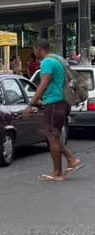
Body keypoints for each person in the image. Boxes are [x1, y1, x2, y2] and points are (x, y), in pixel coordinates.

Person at [22, 38, 83, 181]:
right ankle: (72, 160)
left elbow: (44, 83)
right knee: (53, 136)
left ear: (38, 49)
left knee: (52, 138)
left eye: (34, 50)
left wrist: (32, 103)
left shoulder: (47, 62)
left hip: (55, 102)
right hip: (61, 101)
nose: (34, 52)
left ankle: (57, 173)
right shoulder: (58, 59)